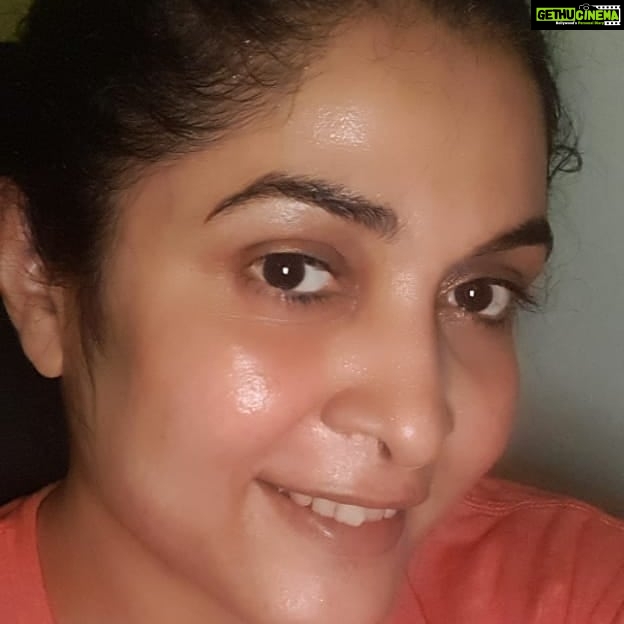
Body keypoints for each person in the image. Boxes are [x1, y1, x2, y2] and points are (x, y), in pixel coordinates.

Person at [0, 1, 622, 623]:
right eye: (291, 271)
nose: (418, 429)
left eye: (480, 294)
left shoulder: (574, 590)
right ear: (38, 282)